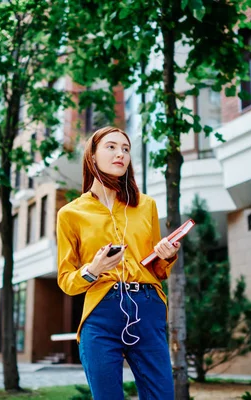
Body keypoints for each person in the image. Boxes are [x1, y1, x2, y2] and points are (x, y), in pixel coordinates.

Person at [57, 126, 180, 400]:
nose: (120, 154)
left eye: (125, 149)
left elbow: (156, 270)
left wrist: (167, 255)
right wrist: (93, 270)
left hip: (147, 308)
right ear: (92, 155)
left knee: (161, 396)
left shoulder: (145, 205)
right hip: (101, 312)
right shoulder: (70, 214)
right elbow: (66, 280)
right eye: (111, 147)